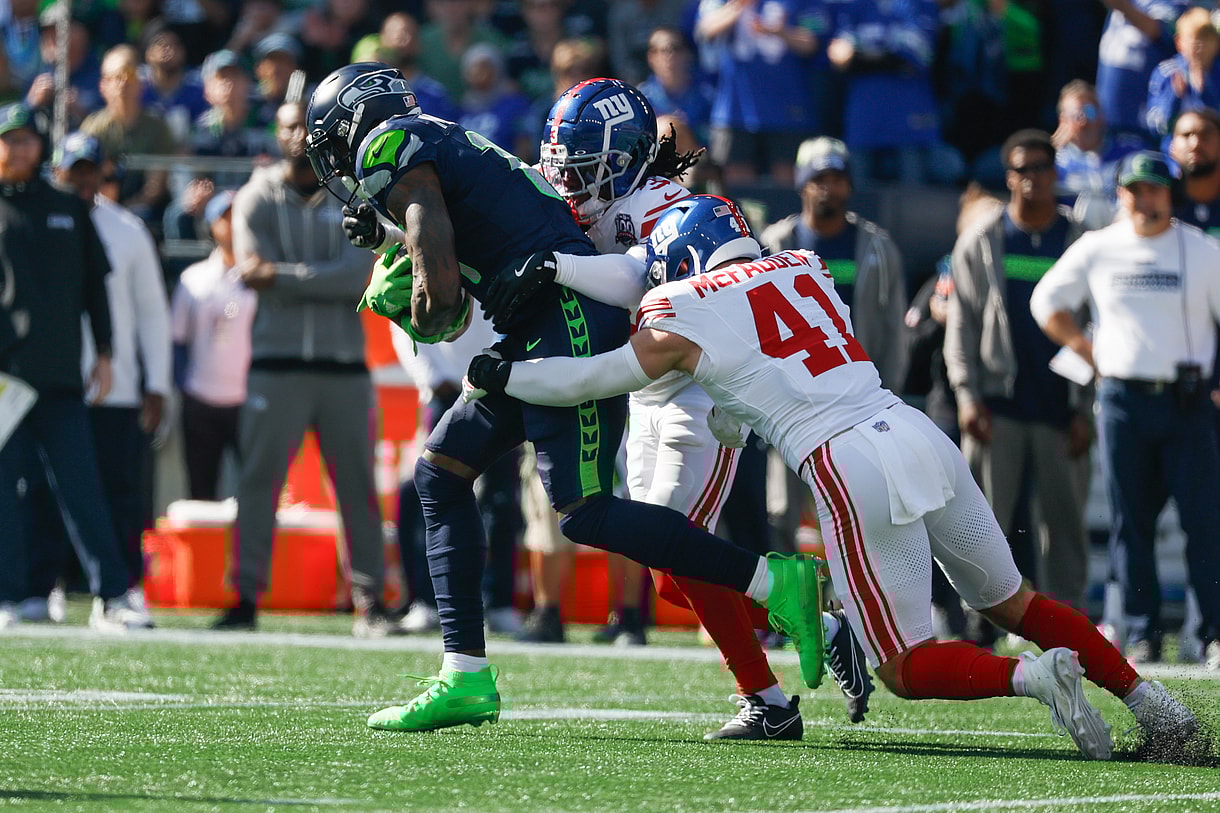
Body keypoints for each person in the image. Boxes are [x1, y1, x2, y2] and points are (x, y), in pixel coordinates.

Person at [467, 192, 1204, 761]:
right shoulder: (807, 267)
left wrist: (506, 373)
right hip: (916, 429)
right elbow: (770, 368)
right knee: (1017, 601)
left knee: (905, 668)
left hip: (851, 463)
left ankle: (1036, 678)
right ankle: (1156, 704)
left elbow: (595, 376)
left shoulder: (682, 303)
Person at [304, 61, 826, 733]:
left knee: (581, 511)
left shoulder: (392, 145)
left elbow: (445, 297)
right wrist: (392, 242)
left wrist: (414, 302)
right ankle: (464, 675)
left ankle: (773, 582)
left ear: (351, 125)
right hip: (548, 323)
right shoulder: (433, 141)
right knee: (440, 470)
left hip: (571, 325)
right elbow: (460, 229)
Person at [525, 77, 876, 732]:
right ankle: (809, 638)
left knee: (677, 548)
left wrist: (556, 266)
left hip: (702, 388)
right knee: (664, 573)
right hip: (649, 386)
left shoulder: (667, 206)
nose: (572, 186)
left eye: (586, 170)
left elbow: (634, 277)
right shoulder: (608, 199)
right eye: (564, 170)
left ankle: (769, 696)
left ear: (625, 159)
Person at [1031, 150, 1220, 672]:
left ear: (1170, 193)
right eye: (1135, 189)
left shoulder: (1201, 251)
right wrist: (1091, 354)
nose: (1145, 199)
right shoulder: (1098, 248)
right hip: (1121, 400)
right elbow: (1046, 302)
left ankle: (1210, 633)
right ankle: (1141, 632)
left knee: (1203, 521)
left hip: (1187, 401)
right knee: (1129, 521)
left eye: (1155, 188)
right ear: (1121, 194)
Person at [213, 100, 391, 637]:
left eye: (306, 126)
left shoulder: (351, 195)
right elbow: (250, 269)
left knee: (357, 487)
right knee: (258, 482)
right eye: (289, 126)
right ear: (278, 132)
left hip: (343, 368)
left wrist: (282, 276)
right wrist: (319, 277)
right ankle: (244, 597)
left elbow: (354, 278)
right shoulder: (255, 195)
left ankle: (370, 601)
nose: (298, 136)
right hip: (276, 365)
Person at [0, 103, 151, 632]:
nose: (17, 149)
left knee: (82, 488)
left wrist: (105, 353)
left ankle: (112, 595)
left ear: (41, 147)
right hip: (3, 380)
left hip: (62, 373)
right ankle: (13, 596)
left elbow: (96, 290)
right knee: (6, 491)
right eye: (7, 140)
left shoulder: (69, 205)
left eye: (25, 140)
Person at [944, 129, 1092, 612]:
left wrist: (1087, 408)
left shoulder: (1080, 242)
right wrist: (967, 395)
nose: (1032, 179)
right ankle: (976, 620)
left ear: (1055, 174)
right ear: (1009, 177)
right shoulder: (982, 239)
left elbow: (1099, 324)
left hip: (1061, 409)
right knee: (981, 523)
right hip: (997, 406)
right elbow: (960, 326)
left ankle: (1069, 619)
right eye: (1022, 170)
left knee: (1064, 526)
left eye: (1041, 169)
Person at [50, 131, 172, 596]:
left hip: (117, 387)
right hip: (55, 384)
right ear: (57, 172)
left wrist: (156, 382)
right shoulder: (40, 223)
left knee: (119, 492)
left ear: (102, 173)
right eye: (72, 172)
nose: (81, 183)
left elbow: (152, 313)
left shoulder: (127, 229)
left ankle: (126, 586)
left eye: (89, 172)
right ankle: (53, 584)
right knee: (50, 492)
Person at [760, 137, 908, 392]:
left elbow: (894, 324)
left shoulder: (878, 247)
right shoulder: (774, 245)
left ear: (849, 185)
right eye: (819, 180)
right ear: (802, 185)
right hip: (792, 389)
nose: (829, 188)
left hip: (861, 389)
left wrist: (890, 387)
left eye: (838, 180)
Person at [170, 189, 257, 501]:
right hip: (200, 399)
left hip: (247, 401)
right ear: (210, 225)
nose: (232, 224)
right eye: (224, 217)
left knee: (257, 490)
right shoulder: (193, 279)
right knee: (201, 490)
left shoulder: (262, 276)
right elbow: (177, 340)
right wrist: (185, 388)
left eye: (238, 216)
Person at [1144, 6, 1220, 151]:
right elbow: (1155, 125)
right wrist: (1174, 97)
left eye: (1206, 39)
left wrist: (1205, 89)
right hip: (1175, 153)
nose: (1200, 47)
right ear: (1179, 42)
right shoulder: (1166, 73)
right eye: (1194, 40)